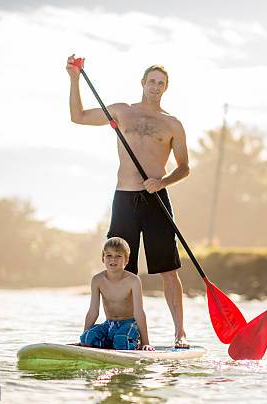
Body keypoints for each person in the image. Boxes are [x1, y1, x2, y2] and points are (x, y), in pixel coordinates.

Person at [66, 54, 190, 348]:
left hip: (156, 198)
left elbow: (185, 168)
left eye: (161, 83)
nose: (155, 87)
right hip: (124, 198)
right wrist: (73, 79)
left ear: (166, 88)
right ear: (143, 83)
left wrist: (162, 182)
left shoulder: (172, 124)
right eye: (152, 81)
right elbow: (78, 116)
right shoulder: (122, 112)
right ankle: (118, 329)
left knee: (168, 270)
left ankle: (180, 332)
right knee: (120, 269)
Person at [80, 237, 154, 351]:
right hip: (109, 324)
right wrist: (84, 339)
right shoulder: (97, 280)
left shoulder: (133, 280)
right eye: (109, 255)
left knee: (122, 340)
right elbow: (93, 311)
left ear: (126, 260)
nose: (113, 259)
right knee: (89, 337)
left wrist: (146, 343)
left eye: (118, 256)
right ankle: (111, 342)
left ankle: (132, 341)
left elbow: (139, 312)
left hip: (129, 324)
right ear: (103, 258)